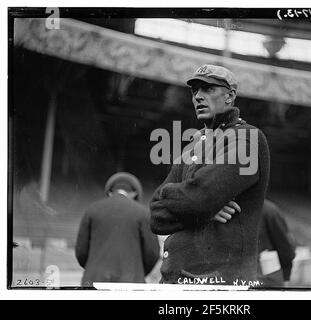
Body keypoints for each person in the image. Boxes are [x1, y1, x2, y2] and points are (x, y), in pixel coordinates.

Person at [150, 64, 270, 285]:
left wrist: (177, 198)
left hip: (218, 283)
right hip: (174, 279)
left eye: (208, 89)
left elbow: (201, 196)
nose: (198, 96)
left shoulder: (248, 138)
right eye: (195, 90)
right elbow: (156, 216)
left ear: (230, 96)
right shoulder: (193, 145)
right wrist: (204, 211)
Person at [75, 172, 160, 287]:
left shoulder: (92, 210)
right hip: (132, 282)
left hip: (93, 281)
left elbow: (81, 251)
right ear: (134, 193)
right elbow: (152, 253)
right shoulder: (143, 213)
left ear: (110, 192)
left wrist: (94, 268)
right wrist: (138, 271)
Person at [258, 199, 296, 288]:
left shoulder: (269, 211)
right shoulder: (269, 210)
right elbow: (287, 249)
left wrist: (286, 275)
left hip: (267, 279)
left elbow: (286, 249)